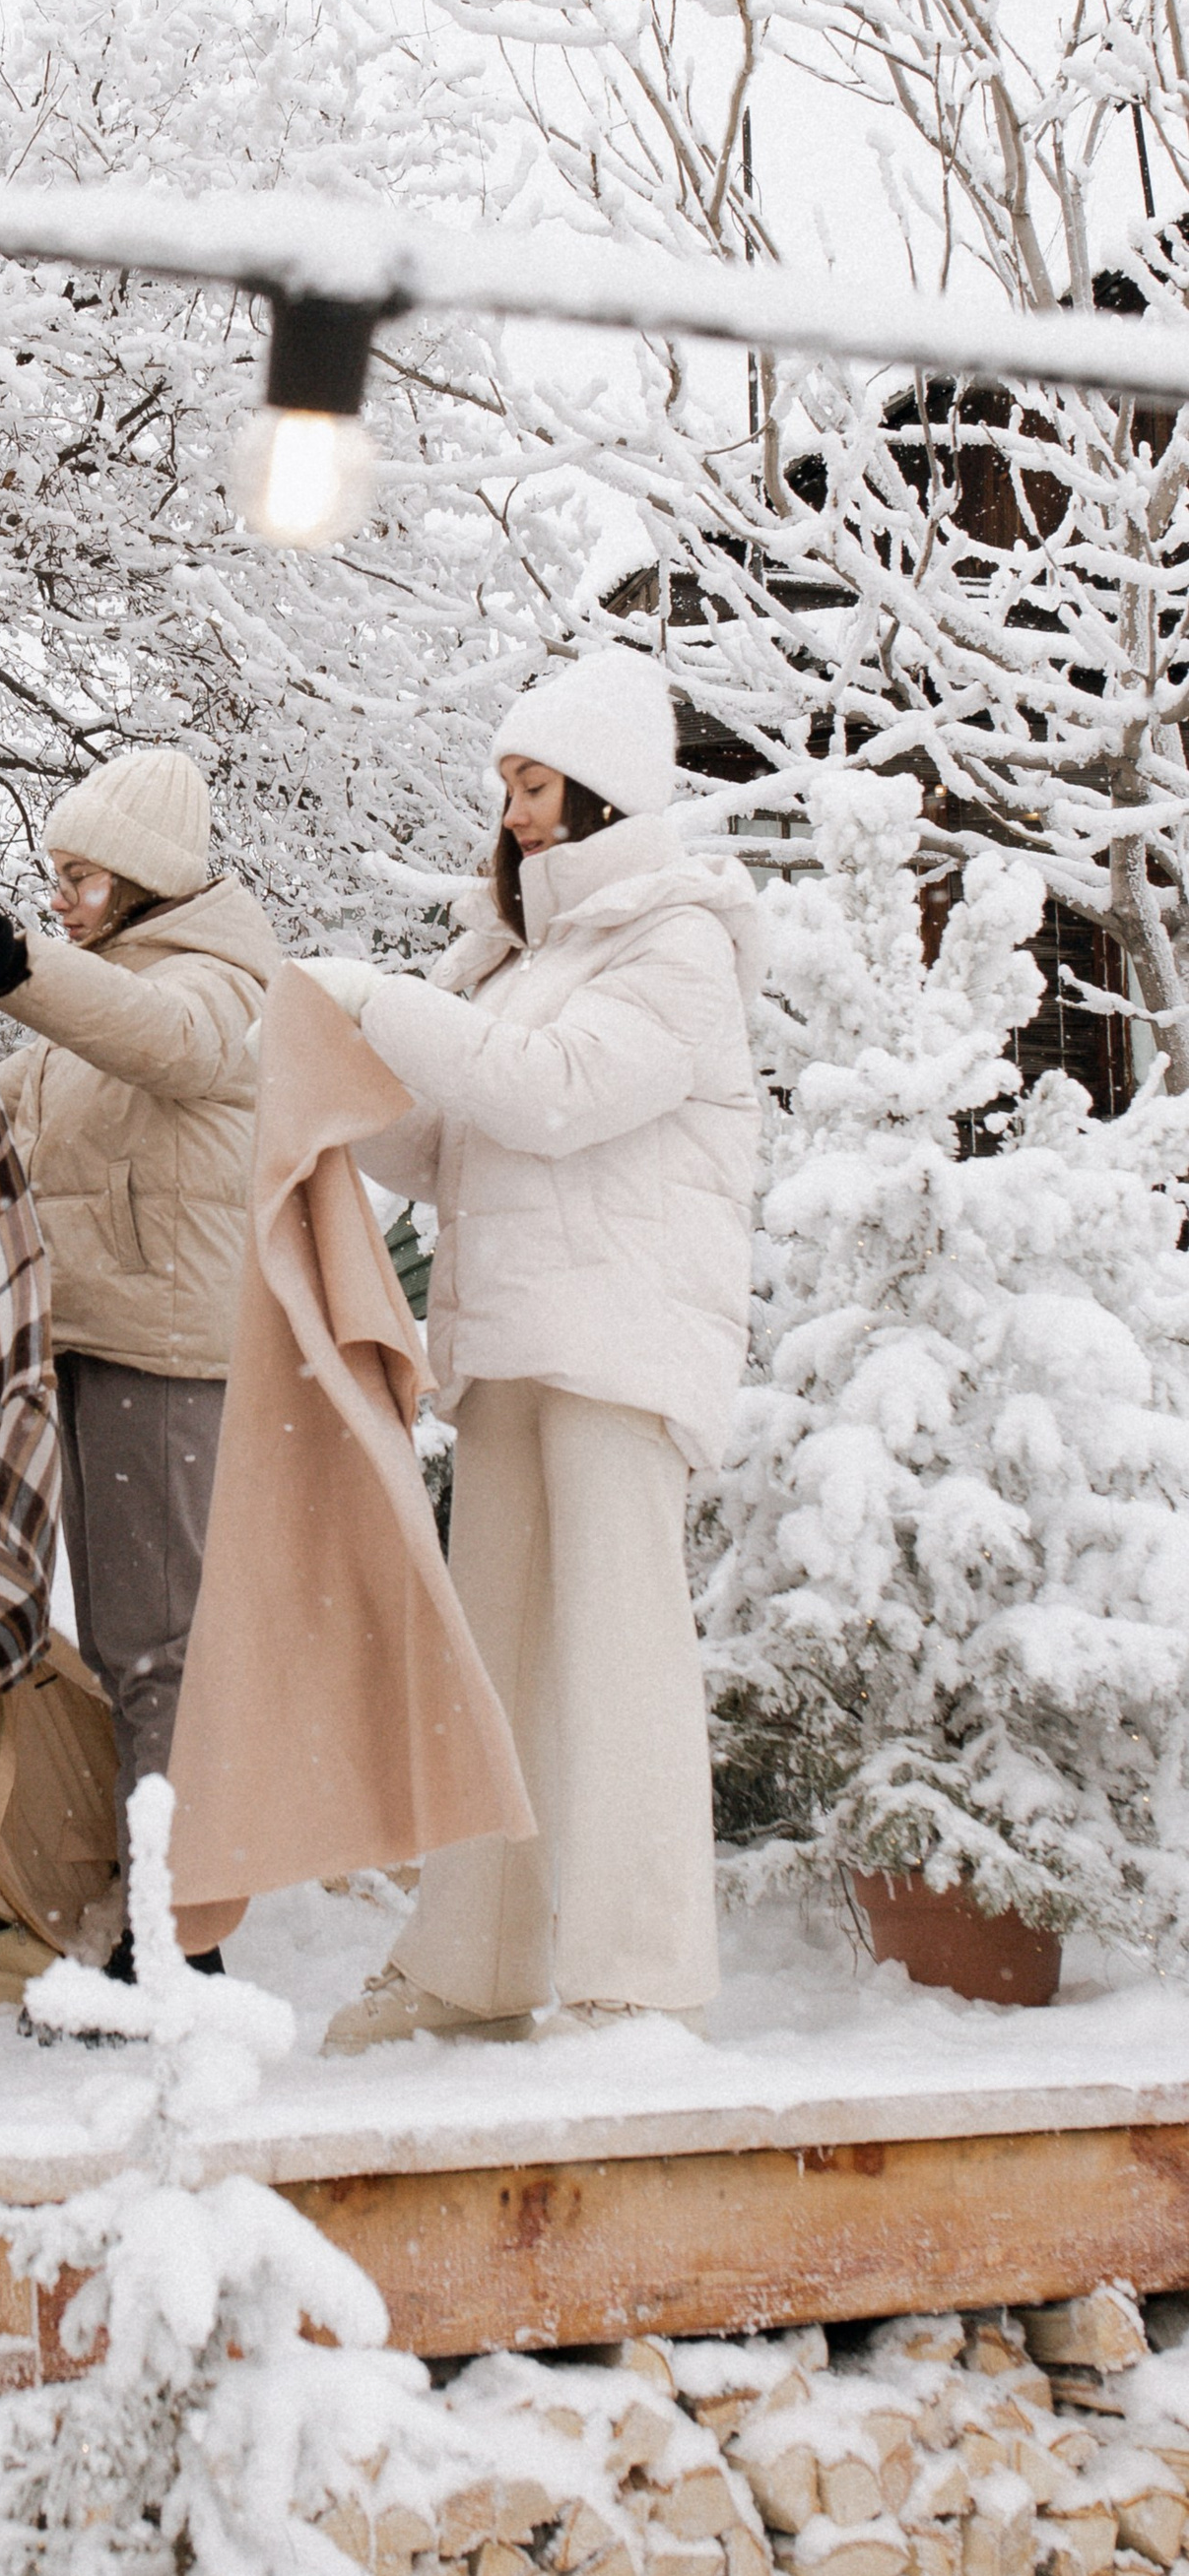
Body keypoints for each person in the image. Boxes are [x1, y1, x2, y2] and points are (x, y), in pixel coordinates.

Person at [303, 651, 760, 2049]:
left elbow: (556, 1098)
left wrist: (378, 1001)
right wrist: (339, 1077)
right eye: (505, 784)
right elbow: (445, 1145)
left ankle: (640, 1979)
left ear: (606, 792)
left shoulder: (679, 944)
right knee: (487, 1665)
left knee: (620, 1663)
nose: (512, 812)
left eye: (536, 782)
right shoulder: (507, 960)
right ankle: (470, 1965)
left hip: (621, 1347)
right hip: (509, 1346)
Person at [0, 747, 280, 1973]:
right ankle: (158, 1912)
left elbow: (165, 1043)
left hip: (167, 1346)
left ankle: (176, 1933)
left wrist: (23, 971)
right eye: (54, 877)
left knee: (159, 1641)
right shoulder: (105, 992)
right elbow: (12, 1125)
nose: (62, 898)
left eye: (81, 876)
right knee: (123, 1637)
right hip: (89, 1336)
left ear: (142, 878)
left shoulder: (219, 984)